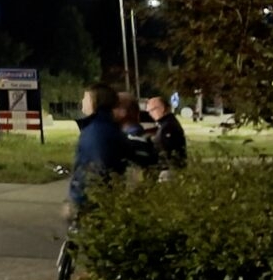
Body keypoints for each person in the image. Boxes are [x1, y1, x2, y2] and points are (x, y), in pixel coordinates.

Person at [68, 86, 148, 218]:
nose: (82, 101)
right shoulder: (106, 127)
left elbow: (95, 170)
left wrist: (79, 201)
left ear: (96, 102)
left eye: (86, 97)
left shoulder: (97, 132)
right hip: (101, 202)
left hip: (92, 206)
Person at [143, 95, 188, 168]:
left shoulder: (168, 126)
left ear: (162, 108)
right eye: (148, 112)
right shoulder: (165, 123)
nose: (150, 114)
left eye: (152, 110)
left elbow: (166, 150)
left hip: (170, 168)